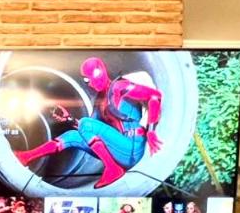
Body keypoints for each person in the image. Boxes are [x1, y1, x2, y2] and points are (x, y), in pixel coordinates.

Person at [14, 56, 163, 188]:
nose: (90, 84)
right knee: (72, 135)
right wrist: (69, 119)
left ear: (100, 73)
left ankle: (112, 168)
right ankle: (26, 157)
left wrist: (151, 130)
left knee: (86, 124)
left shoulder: (120, 87)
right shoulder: (101, 99)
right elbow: (89, 130)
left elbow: (154, 96)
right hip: (118, 150)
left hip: (132, 148)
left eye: (91, 78)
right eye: (86, 80)